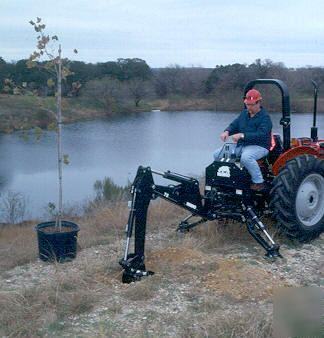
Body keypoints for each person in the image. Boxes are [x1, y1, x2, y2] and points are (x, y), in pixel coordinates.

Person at [213, 89, 272, 191]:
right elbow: (234, 125)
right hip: (242, 145)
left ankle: (258, 182)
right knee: (218, 154)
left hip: (259, 146)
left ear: (258, 103)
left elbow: (261, 135)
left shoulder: (265, 118)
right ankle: (227, 178)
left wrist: (242, 135)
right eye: (247, 104)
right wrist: (227, 131)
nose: (249, 107)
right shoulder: (244, 114)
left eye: (251, 105)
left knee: (246, 157)